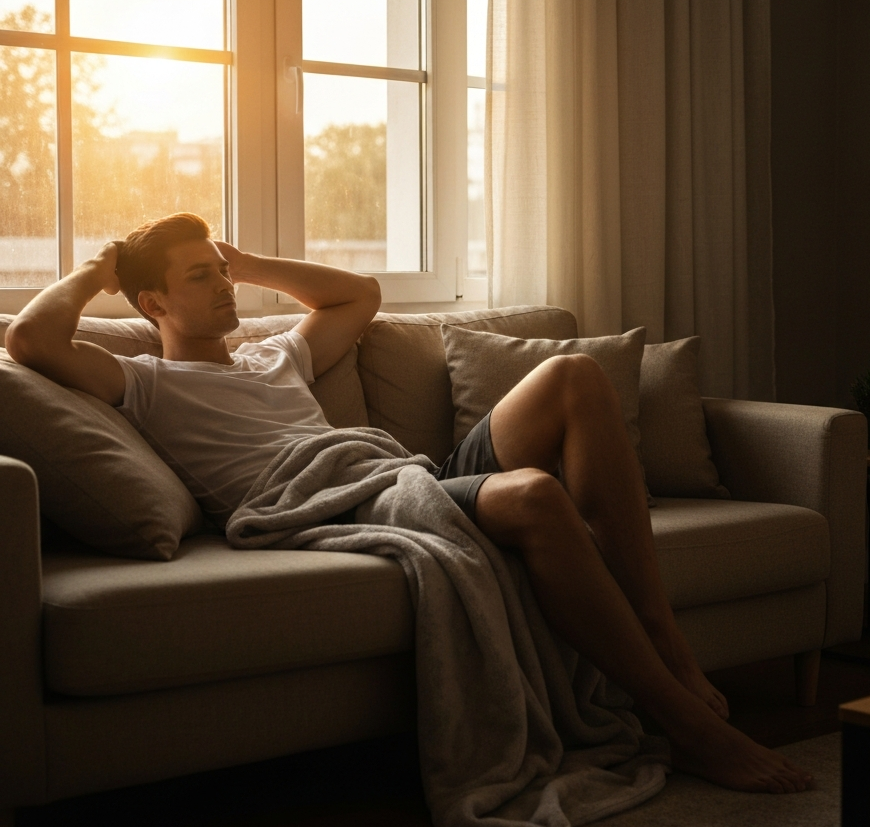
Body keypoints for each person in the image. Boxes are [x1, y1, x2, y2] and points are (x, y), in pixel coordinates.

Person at [5, 212, 814, 795]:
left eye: (219, 273)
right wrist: (98, 270)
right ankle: (683, 719)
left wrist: (247, 262)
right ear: (150, 304)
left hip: (404, 474)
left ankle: (666, 641)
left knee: (577, 377)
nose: (221, 288)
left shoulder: (273, 353)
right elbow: (31, 343)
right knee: (533, 495)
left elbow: (358, 295)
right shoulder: (145, 382)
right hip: (343, 503)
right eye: (200, 278)